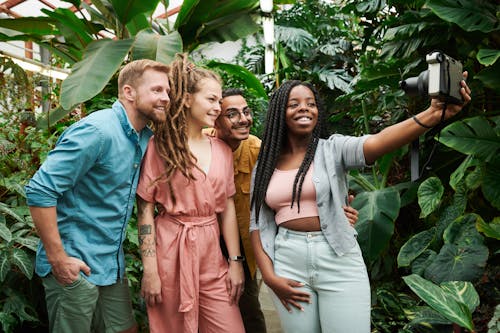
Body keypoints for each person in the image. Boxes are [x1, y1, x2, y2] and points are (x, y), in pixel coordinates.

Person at [249, 76, 471, 333]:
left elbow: (377, 142)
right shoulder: (265, 164)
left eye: (311, 103)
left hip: (337, 256)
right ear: (279, 113)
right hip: (288, 261)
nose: (304, 108)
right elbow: (258, 224)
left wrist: (433, 114)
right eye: (294, 104)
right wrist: (270, 277)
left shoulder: (333, 149)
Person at [25, 59, 171, 333]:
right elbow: (40, 190)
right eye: (157, 90)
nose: (165, 98)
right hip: (75, 265)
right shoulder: (98, 131)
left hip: (109, 266)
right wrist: (59, 260)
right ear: (129, 92)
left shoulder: (142, 137)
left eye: (167, 91)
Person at [208, 88, 360, 332]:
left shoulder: (261, 152)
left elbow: (303, 179)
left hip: (247, 245)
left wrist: (335, 208)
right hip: (203, 240)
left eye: (246, 112)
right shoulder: (202, 147)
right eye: (232, 114)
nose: (244, 119)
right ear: (214, 119)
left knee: (248, 309)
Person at [136, 54, 245, 333]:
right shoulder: (159, 147)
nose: (218, 107)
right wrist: (150, 270)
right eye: (211, 99)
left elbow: (227, 208)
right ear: (186, 99)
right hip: (170, 252)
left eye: (219, 101)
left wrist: (235, 261)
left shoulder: (222, 150)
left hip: (212, 255)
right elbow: (146, 209)